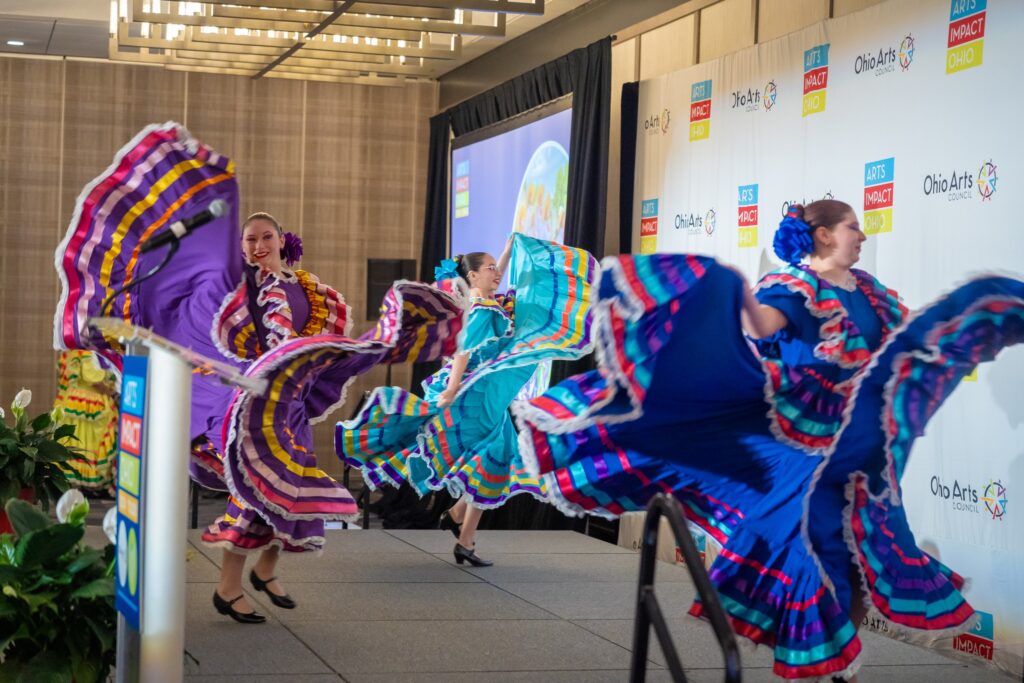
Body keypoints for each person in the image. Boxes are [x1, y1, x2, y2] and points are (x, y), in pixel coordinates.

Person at [514, 200, 1024, 680]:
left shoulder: (869, 291)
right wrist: (732, 286)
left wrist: (960, 322)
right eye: (852, 227)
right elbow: (757, 325)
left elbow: (903, 337)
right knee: (814, 547)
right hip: (806, 440)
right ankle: (817, 660)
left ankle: (834, 657)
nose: (862, 235)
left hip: (866, 447)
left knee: (866, 554)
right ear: (823, 235)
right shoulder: (794, 288)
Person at [338, 233, 598, 566]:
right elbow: (464, 350)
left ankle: (462, 531)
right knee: (491, 457)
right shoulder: (479, 308)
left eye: (495, 268)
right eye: (489, 268)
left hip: (494, 392)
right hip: (482, 393)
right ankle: (461, 527)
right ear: (472, 276)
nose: (496, 272)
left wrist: (504, 253)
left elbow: (491, 285)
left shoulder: (486, 302)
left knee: (499, 459)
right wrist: (451, 389)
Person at [52, 350, 119, 492]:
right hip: (90, 402)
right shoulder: (88, 352)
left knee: (80, 441)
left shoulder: (74, 352)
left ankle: (80, 482)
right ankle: (87, 482)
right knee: (89, 442)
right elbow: (93, 378)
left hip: (78, 401)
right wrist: (110, 387)